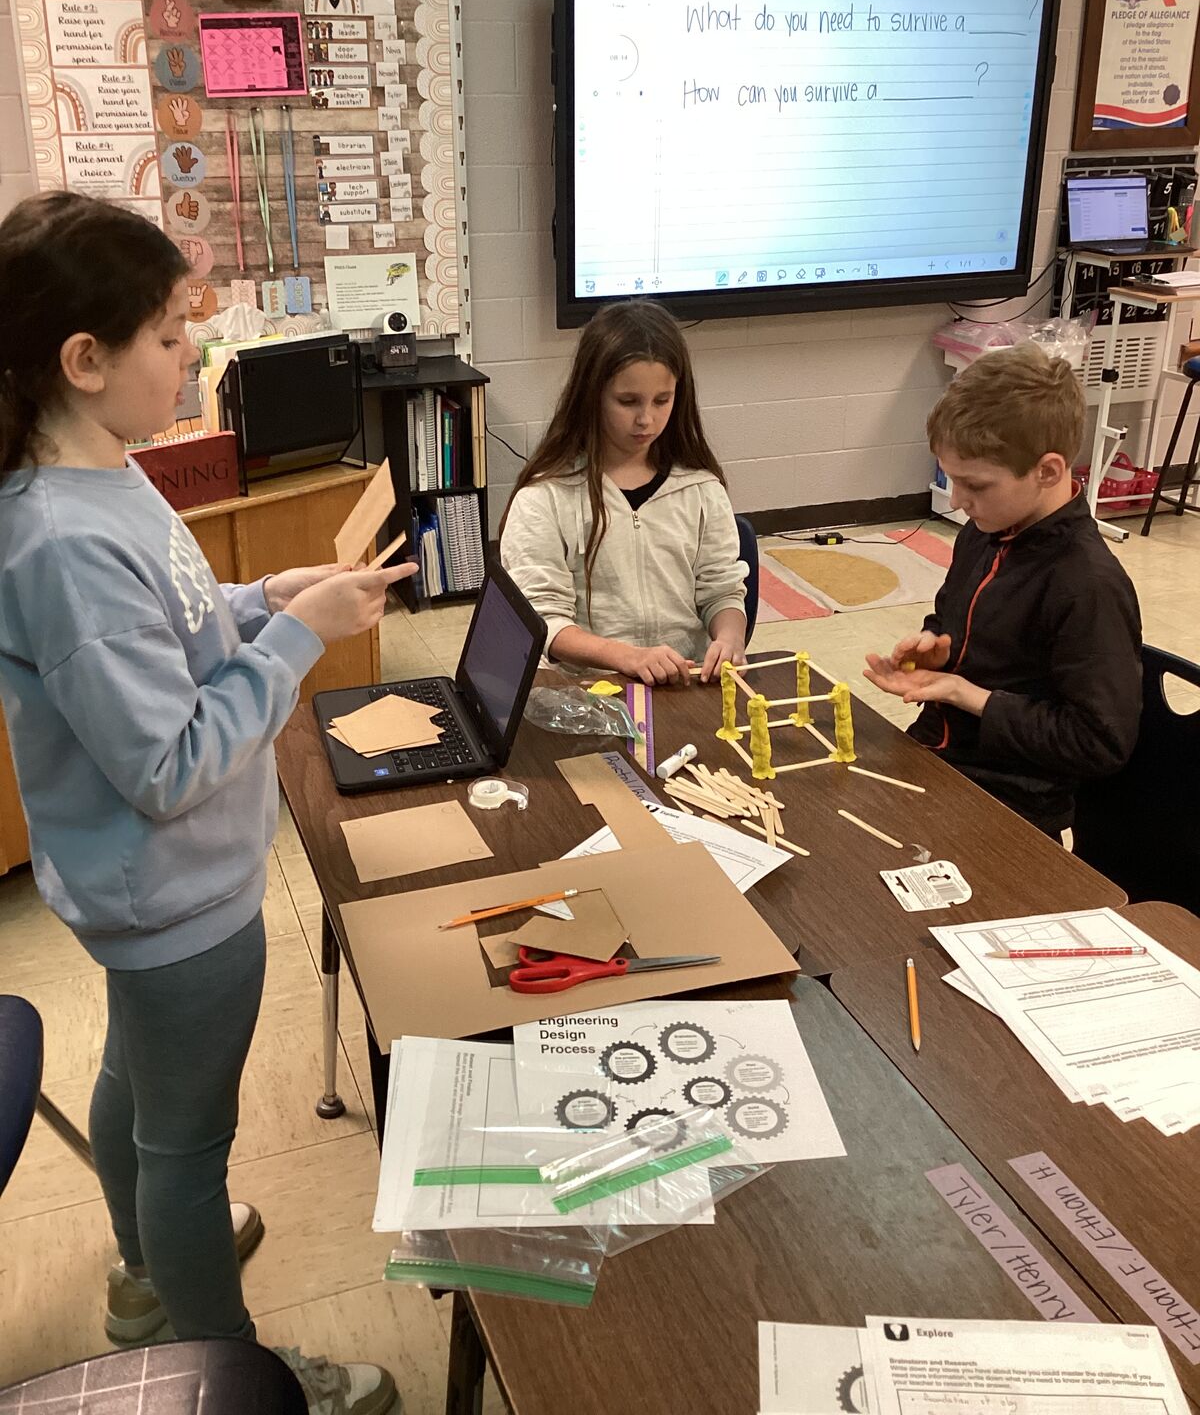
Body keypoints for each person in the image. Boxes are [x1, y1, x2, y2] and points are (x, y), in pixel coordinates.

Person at [0, 192, 409, 1415]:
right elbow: (170, 762)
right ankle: (227, 1364)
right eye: (172, 336)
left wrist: (265, 596)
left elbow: (175, 624)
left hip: (154, 893)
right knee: (187, 1149)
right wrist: (296, 639)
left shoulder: (98, 473)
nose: (193, 355)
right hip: (175, 900)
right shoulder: (59, 539)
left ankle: (145, 1272)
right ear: (86, 359)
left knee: (140, 1085)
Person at [863, 342, 1141, 838]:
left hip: (1011, 805)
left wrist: (967, 695)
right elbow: (953, 616)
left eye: (976, 485)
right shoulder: (984, 532)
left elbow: (1099, 742)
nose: (958, 500)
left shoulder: (1087, 585)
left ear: (1048, 471)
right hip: (937, 759)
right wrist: (936, 648)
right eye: (952, 480)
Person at [500, 300, 747, 686]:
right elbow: (543, 619)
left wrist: (730, 638)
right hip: (589, 689)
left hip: (684, 681)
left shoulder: (700, 488)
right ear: (592, 395)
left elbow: (722, 590)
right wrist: (629, 657)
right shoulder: (546, 496)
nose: (646, 419)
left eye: (662, 400)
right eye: (628, 401)